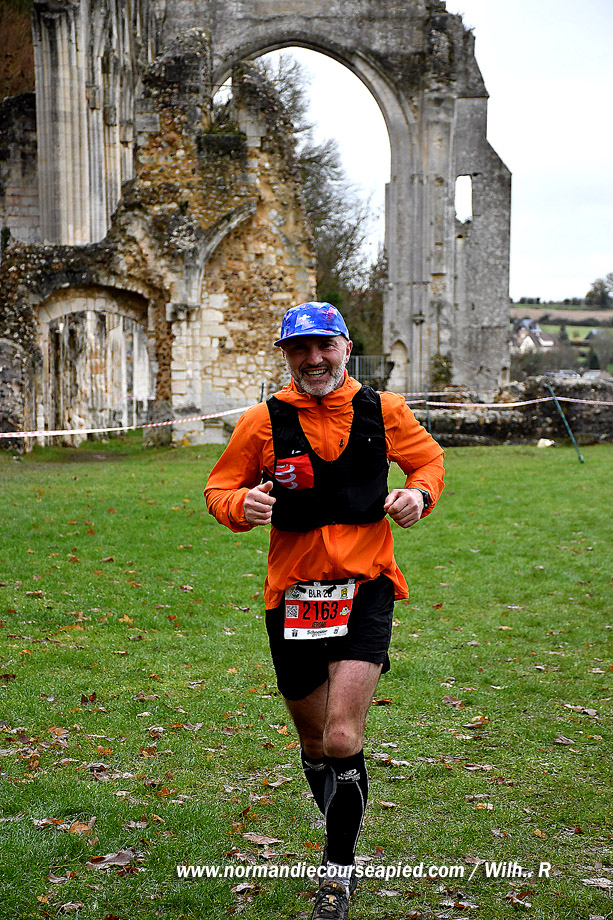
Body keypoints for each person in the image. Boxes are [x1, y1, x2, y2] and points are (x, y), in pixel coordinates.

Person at [204, 302, 444, 920]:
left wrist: (419, 493)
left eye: (324, 346)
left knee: (342, 734)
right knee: (315, 742)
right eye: (299, 349)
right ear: (286, 355)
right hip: (294, 598)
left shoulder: (385, 410)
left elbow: (428, 461)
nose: (314, 359)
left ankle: (337, 871)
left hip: (366, 588)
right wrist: (240, 507)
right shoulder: (262, 421)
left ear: (345, 347)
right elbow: (219, 488)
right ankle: (342, 827)